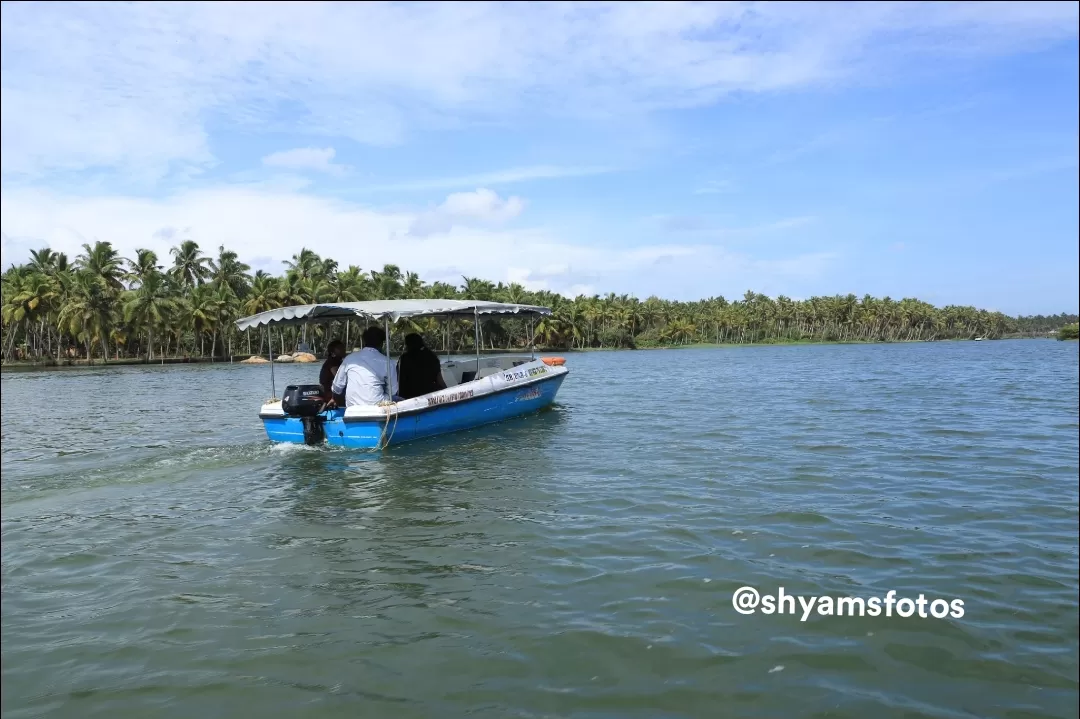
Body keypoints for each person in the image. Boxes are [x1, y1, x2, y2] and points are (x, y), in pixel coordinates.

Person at [331, 326, 399, 407]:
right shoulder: (388, 362)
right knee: (399, 399)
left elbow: (336, 388)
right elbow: (393, 391)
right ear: (382, 343)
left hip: (352, 408)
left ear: (364, 341)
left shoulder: (349, 359)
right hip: (377, 407)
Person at [397, 333, 447, 400]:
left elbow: (400, 380)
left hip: (410, 394)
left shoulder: (404, 359)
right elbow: (439, 379)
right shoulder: (431, 356)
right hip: (430, 392)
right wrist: (447, 391)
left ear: (407, 345)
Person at [319, 340, 346, 406]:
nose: (343, 349)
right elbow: (338, 377)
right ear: (333, 351)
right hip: (329, 392)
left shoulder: (338, 361)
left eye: (343, 347)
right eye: (340, 348)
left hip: (332, 391)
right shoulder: (332, 362)